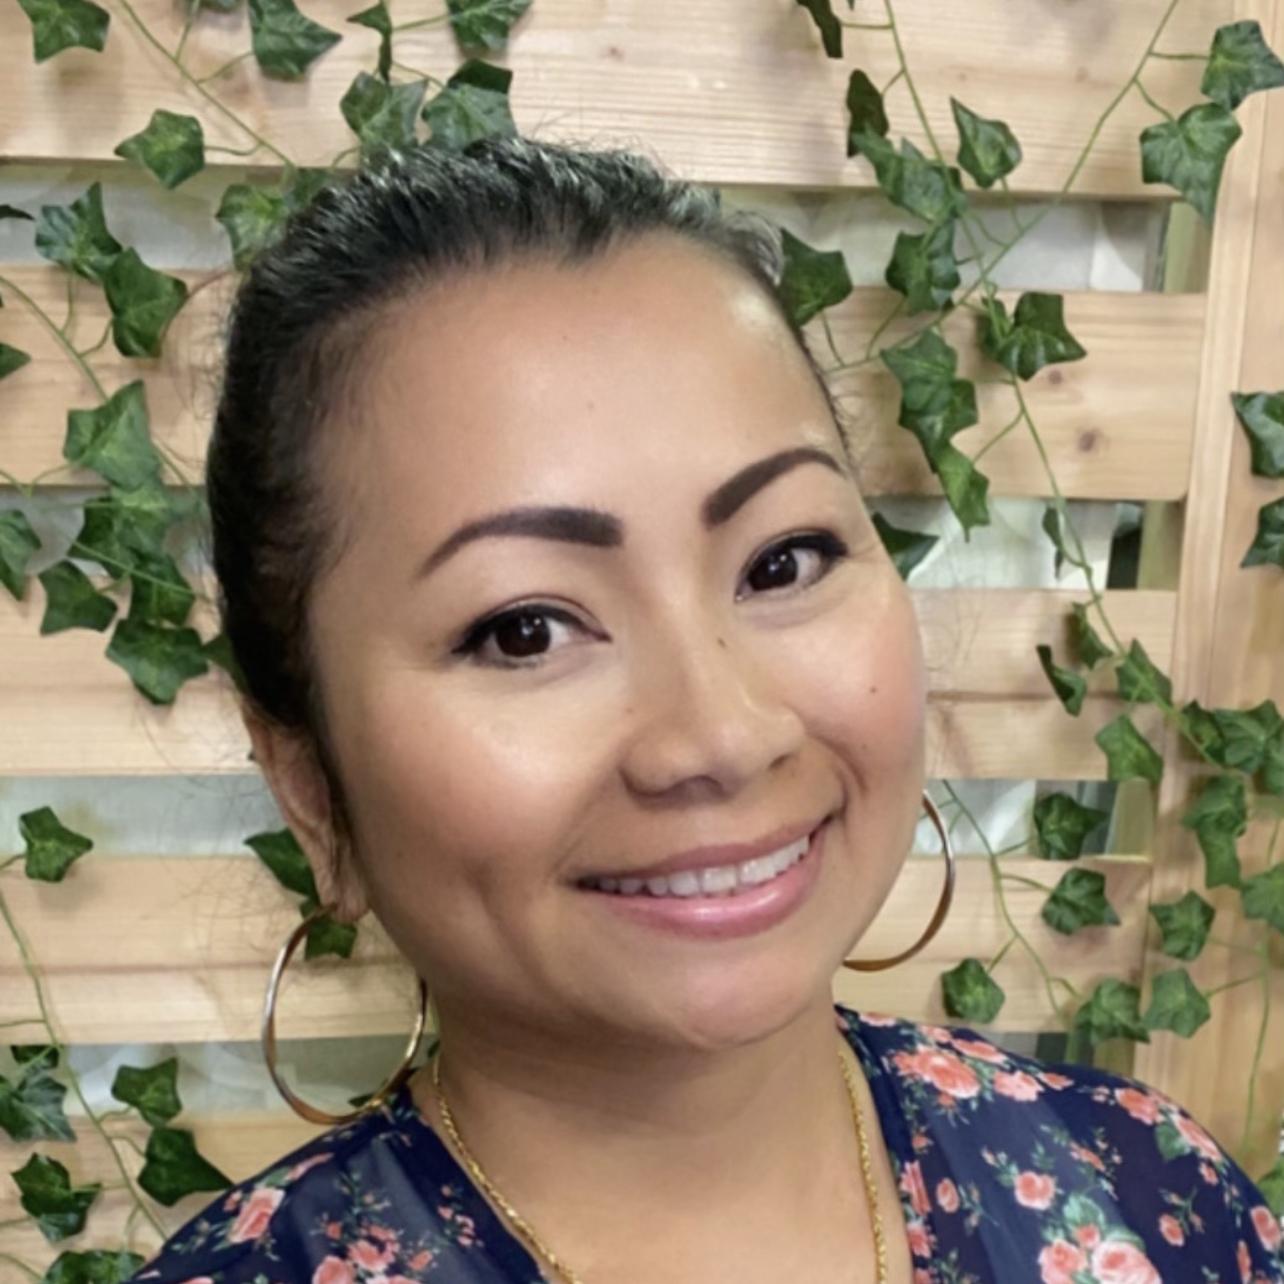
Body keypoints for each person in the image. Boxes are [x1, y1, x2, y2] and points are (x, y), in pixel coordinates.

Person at [128, 135, 1282, 1284]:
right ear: (310, 787)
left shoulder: (1153, 1194)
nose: (723, 736)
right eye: (525, 629)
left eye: (783, 561)